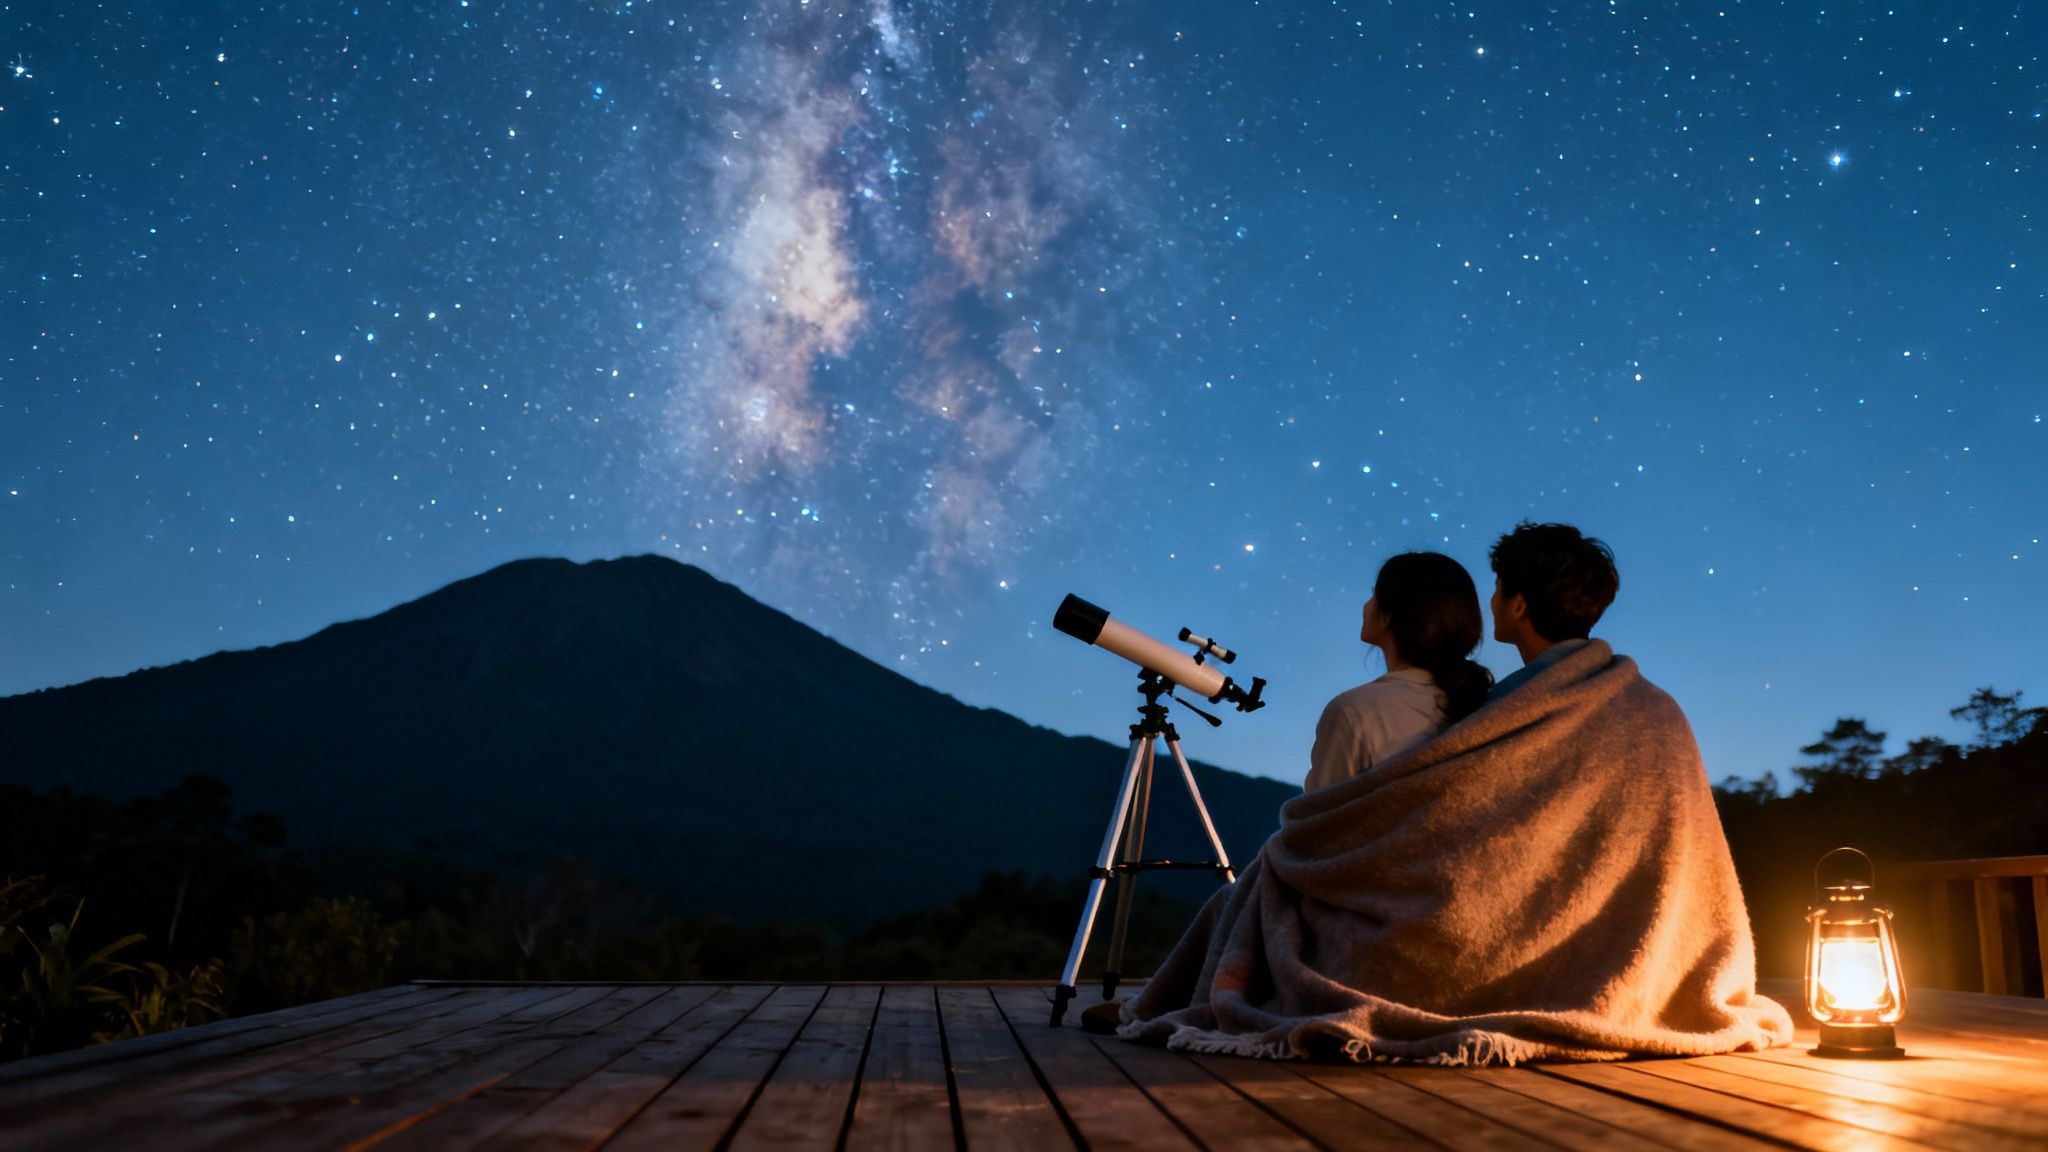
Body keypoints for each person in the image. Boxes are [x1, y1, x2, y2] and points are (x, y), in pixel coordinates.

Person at [1304, 552, 1493, 792]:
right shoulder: (1490, 704)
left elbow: (1318, 823)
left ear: (1391, 614)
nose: (1366, 605)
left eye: (1374, 595)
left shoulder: (1354, 712)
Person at [1486, 521, 1620, 700]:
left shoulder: (1498, 708)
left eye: (1497, 587)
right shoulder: (1653, 704)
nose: (1492, 600)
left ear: (1519, 606)